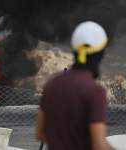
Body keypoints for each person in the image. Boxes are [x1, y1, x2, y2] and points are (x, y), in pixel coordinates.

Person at [37, 21, 113, 150]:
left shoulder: (52, 85)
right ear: (101, 53)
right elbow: (99, 145)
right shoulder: (94, 91)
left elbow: (41, 134)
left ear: (74, 51)